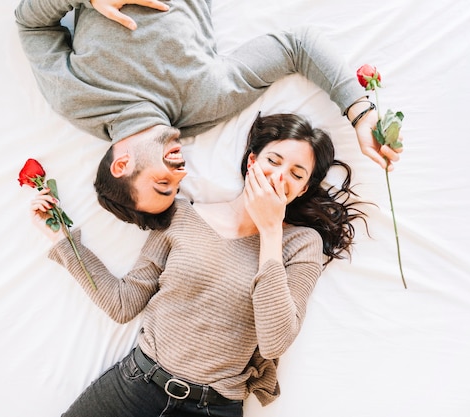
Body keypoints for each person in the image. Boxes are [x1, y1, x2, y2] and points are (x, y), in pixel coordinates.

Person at [31, 113, 367, 417]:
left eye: (295, 174)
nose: (279, 177)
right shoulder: (182, 214)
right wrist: (63, 240)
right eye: (273, 161)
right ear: (252, 161)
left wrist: (269, 232)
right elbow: (123, 303)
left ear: (303, 189)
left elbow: (275, 341)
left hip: (213, 407)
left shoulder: (301, 244)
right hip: (136, 387)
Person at [15, 0, 402, 230]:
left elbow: (30, 22)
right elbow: (297, 47)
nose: (180, 175)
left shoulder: (76, 100)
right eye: (177, 188)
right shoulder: (206, 102)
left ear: (122, 165)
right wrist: (361, 113)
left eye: (163, 185)